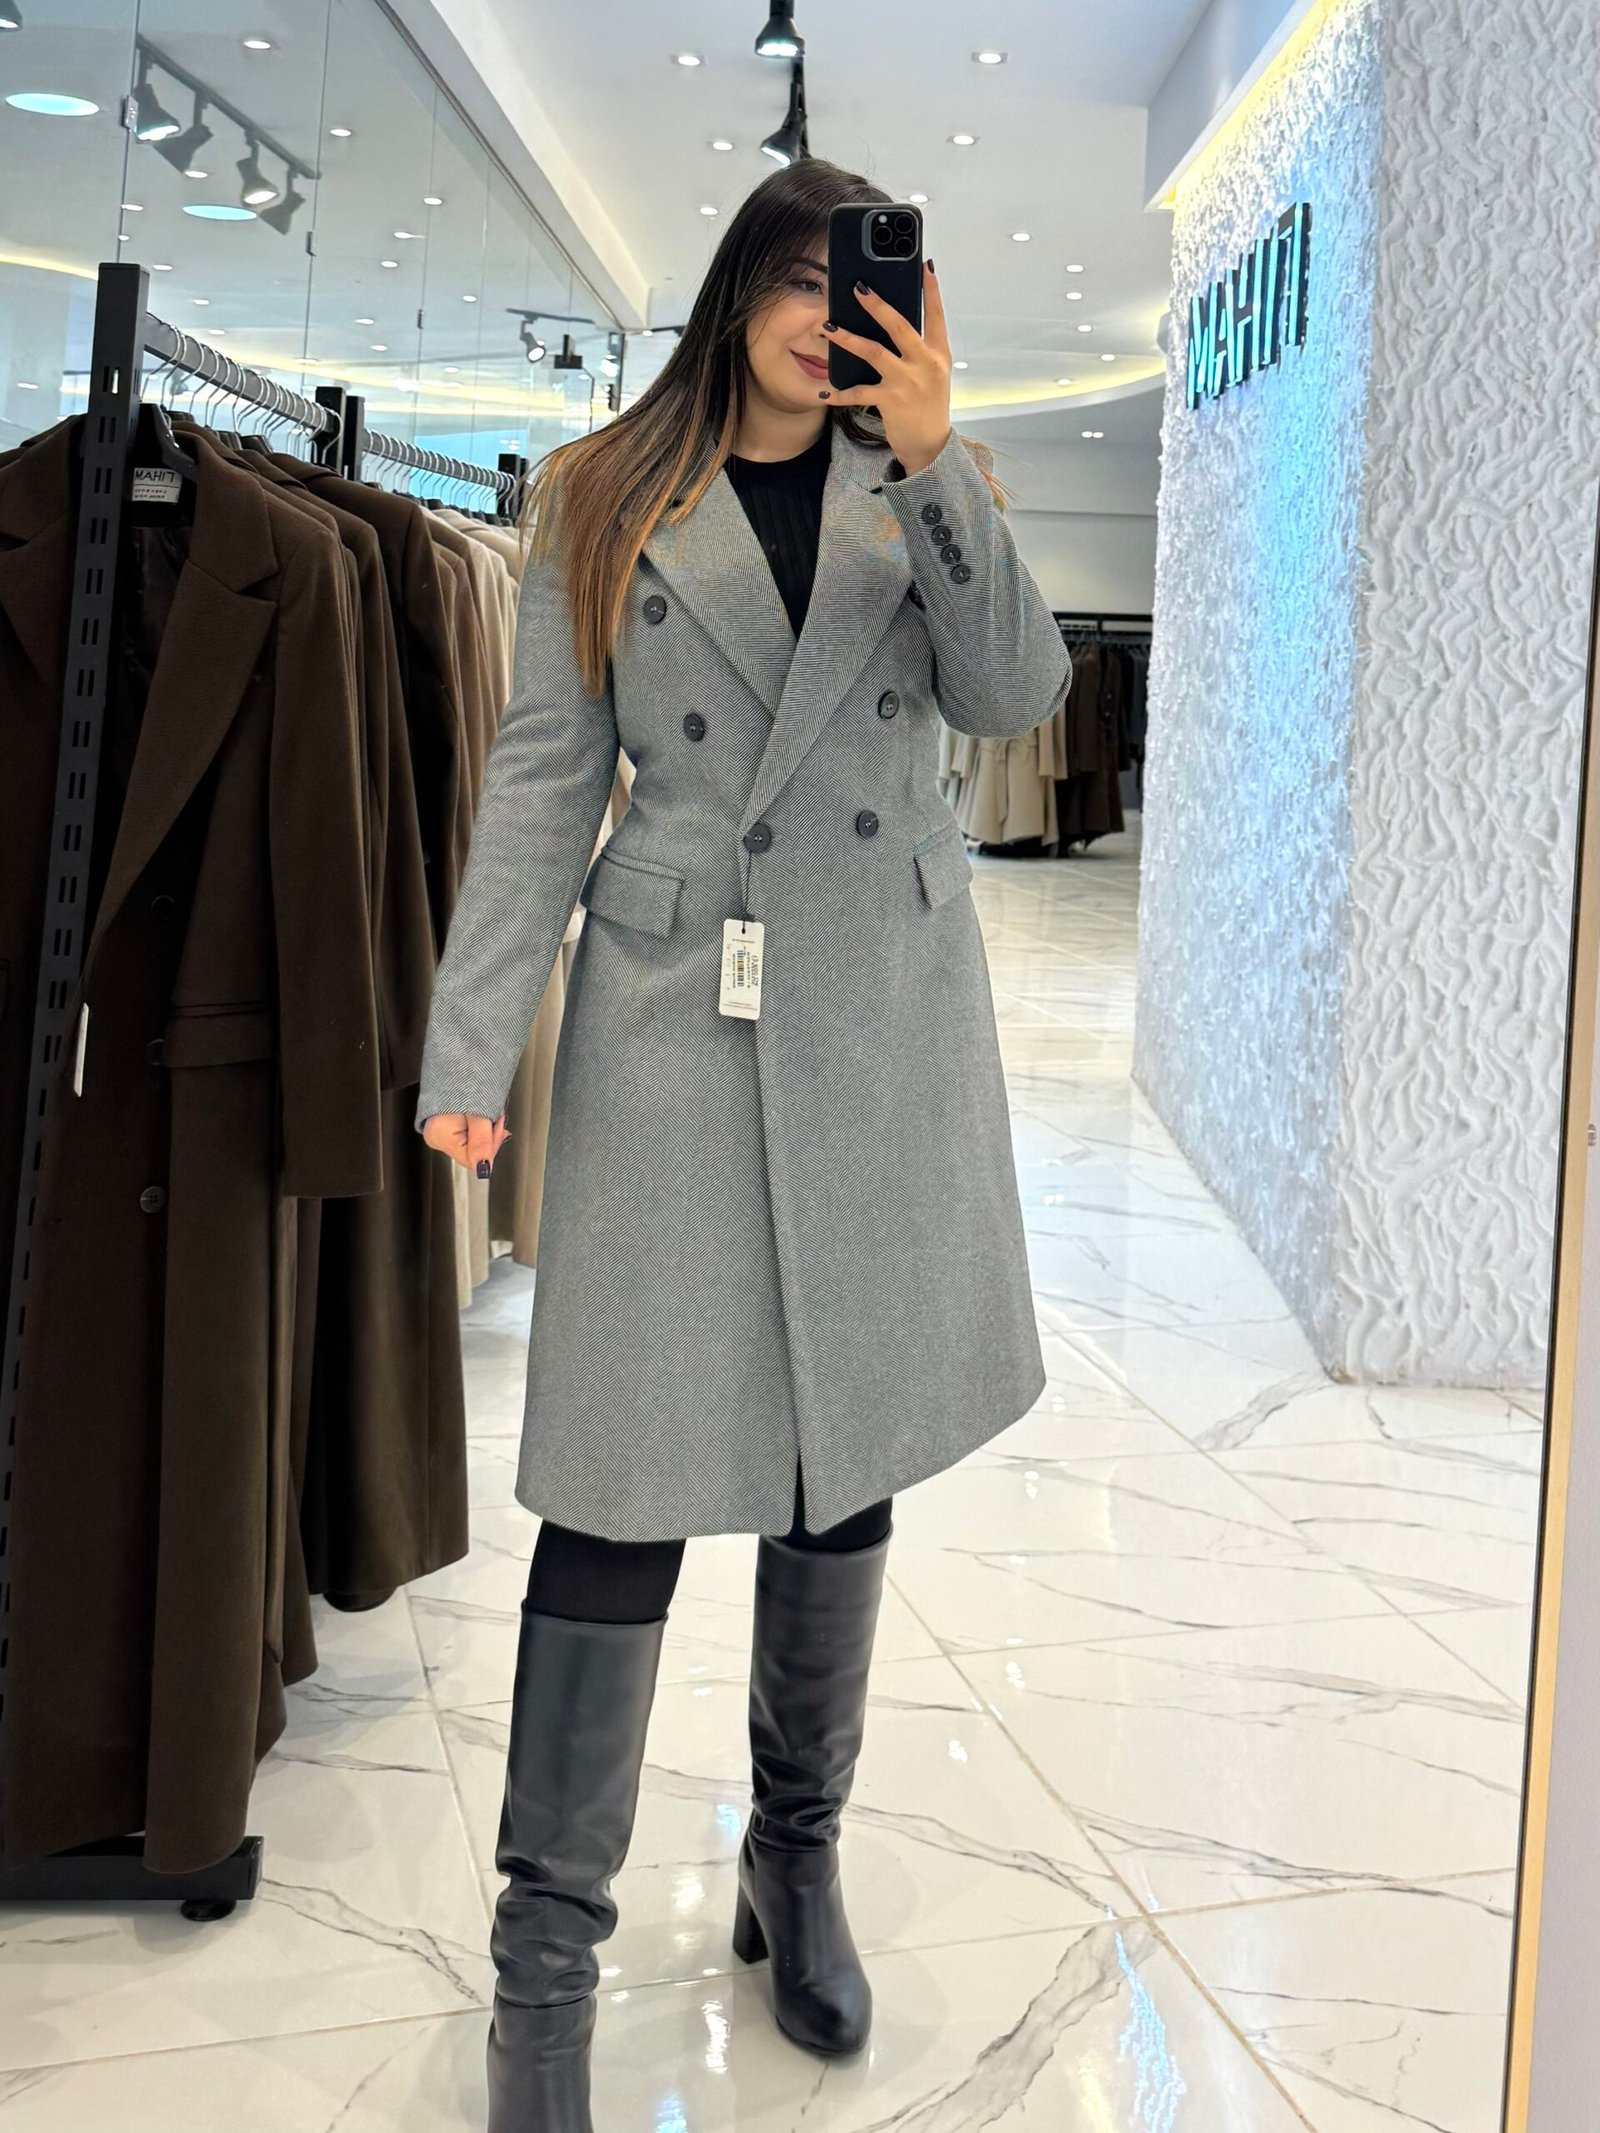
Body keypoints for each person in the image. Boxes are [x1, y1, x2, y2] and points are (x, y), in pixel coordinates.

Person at [415, 156, 1070, 2132]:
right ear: (731, 296)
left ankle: (798, 1854)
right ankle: (545, 1975)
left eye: (849, 284)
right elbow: (545, 775)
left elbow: (1013, 695)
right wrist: (473, 1032)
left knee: (833, 1460)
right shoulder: (601, 491)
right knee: (615, 1486)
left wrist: (937, 457)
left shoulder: (929, 478)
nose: (817, 316)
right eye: (787, 279)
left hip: (875, 1020)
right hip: (669, 1012)